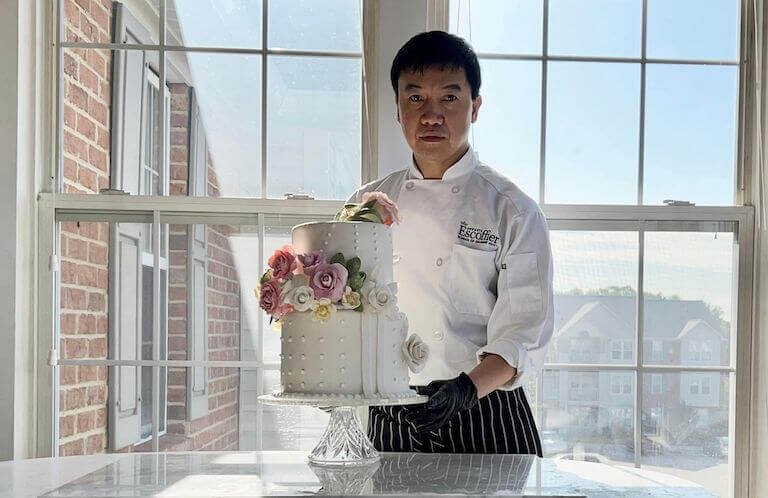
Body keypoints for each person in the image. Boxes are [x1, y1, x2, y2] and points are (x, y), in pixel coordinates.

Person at [346, 30, 554, 454]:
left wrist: (465, 390)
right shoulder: (365, 206)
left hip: (485, 408)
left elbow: (525, 330)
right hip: (393, 411)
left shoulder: (513, 209)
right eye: (416, 98)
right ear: (397, 108)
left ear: (475, 108)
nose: (431, 115)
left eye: (450, 98)